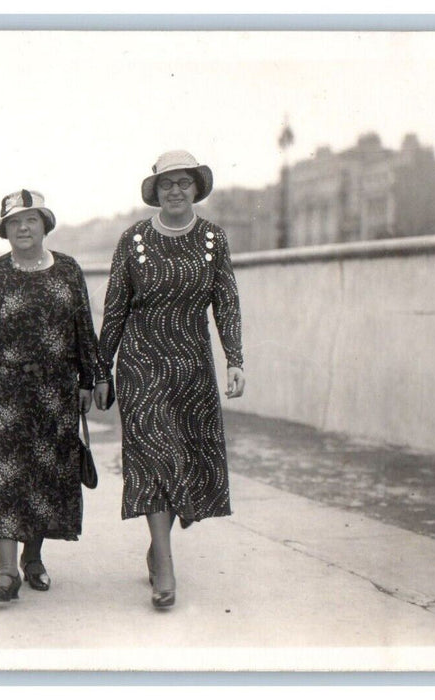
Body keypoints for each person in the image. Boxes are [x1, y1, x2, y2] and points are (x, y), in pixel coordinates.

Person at [94, 150, 246, 609]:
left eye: (183, 182)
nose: (175, 191)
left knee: (183, 461)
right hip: (142, 364)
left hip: (192, 367)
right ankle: (164, 565)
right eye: (166, 184)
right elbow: (115, 307)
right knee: (153, 457)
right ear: (155, 192)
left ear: (196, 187)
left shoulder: (213, 239)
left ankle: (157, 546)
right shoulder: (134, 240)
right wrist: (102, 371)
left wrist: (234, 359)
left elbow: (227, 301)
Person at [0, 189, 107, 603]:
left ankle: (32, 560)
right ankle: (5, 571)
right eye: (14, 222)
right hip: (2, 395)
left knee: (43, 478)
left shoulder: (68, 271)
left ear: (45, 225)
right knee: (2, 479)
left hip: (54, 397)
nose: (23, 227)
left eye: (31, 220)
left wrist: (90, 380)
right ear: (4, 229)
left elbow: (83, 332)